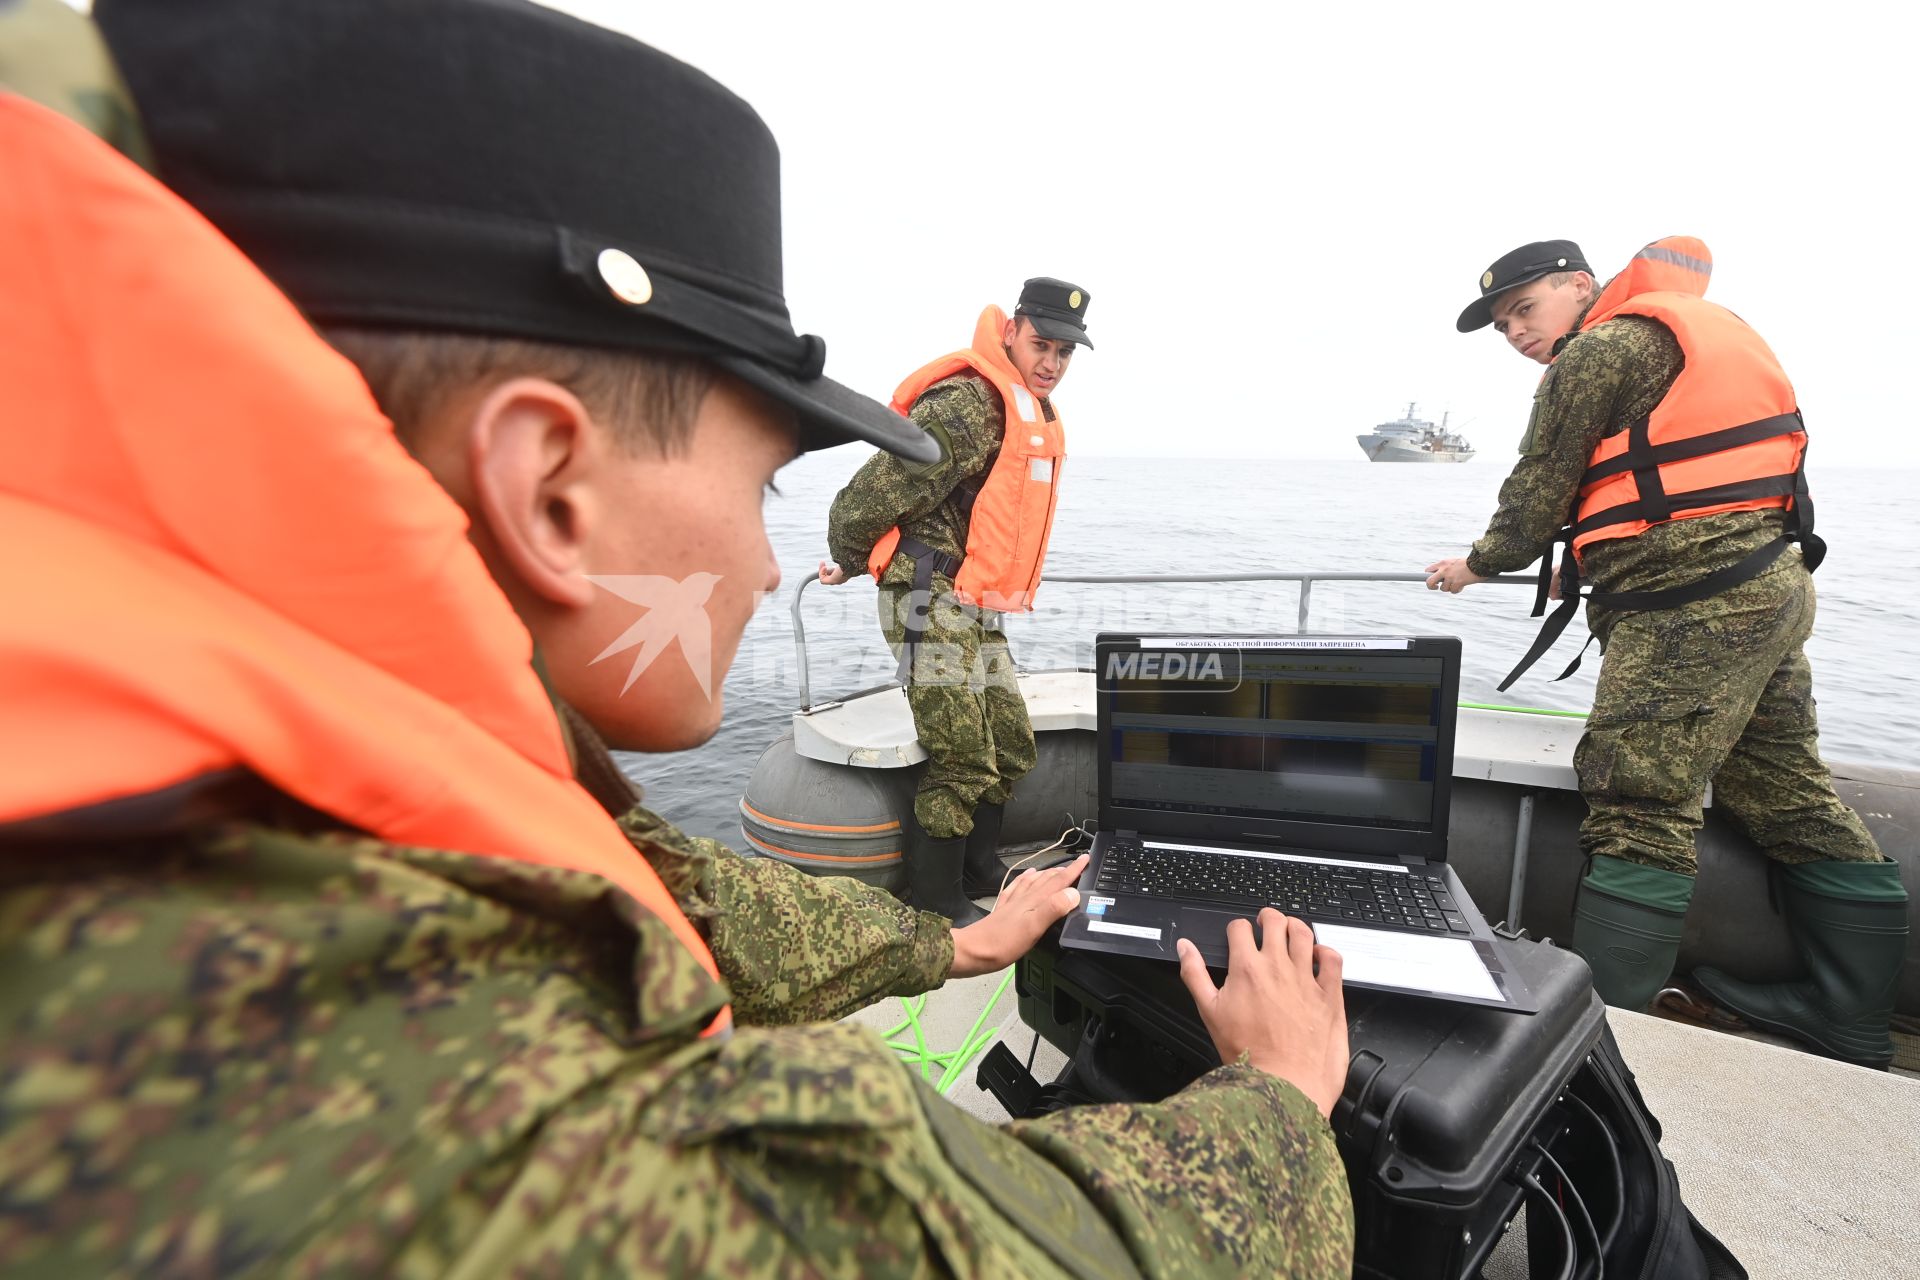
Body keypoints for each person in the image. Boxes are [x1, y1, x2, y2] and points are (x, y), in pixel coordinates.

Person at [0, 2, 1357, 1274]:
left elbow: (675, 893)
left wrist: (955, 948)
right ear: (549, 492)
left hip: (971, 638)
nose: (765, 564)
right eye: (761, 488)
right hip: (944, 613)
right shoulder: (467, 1102)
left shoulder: (284, 751)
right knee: (964, 758)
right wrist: (1284, 1099)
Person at [1423, 237, 1907, 1067]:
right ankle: (1850, 1015)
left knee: (1637, 795)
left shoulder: (1600, 350)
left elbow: (1539, 489)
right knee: (1784, 787)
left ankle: (1605, 1043)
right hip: (1768, 585)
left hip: (1692, 605)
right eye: (1503, 325)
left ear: (1581, 286)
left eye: (1524, 310)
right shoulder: (1685, 335)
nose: (1515, 333)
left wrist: (1478, 564)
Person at [822, 280, 1088, 924]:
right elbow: (868, 495)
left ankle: (980, 868)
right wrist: (853, 558)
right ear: (1011, 332)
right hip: (925, 593)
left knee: (1011, 740)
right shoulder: (968, 404)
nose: (1051, 363)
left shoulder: (1024, 409)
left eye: (1064, 352)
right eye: (1040, 344)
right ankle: (936, 902)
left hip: (970, 598)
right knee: (961, 754)